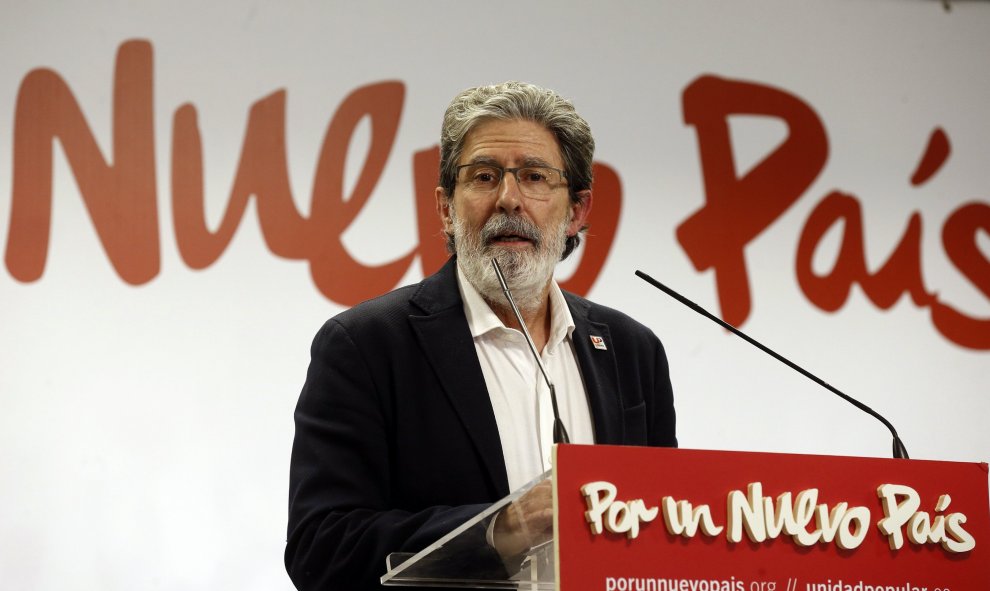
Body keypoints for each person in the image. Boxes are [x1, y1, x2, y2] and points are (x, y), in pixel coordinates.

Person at [285, 81, 677, 590]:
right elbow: (322, 547)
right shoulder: (367, 345)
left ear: (577, 210)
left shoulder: (631, 350)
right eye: (484, 176)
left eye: (535, 177)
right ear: (447, 207)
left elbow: (666, 533)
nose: (508, 199)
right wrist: (501, 529)